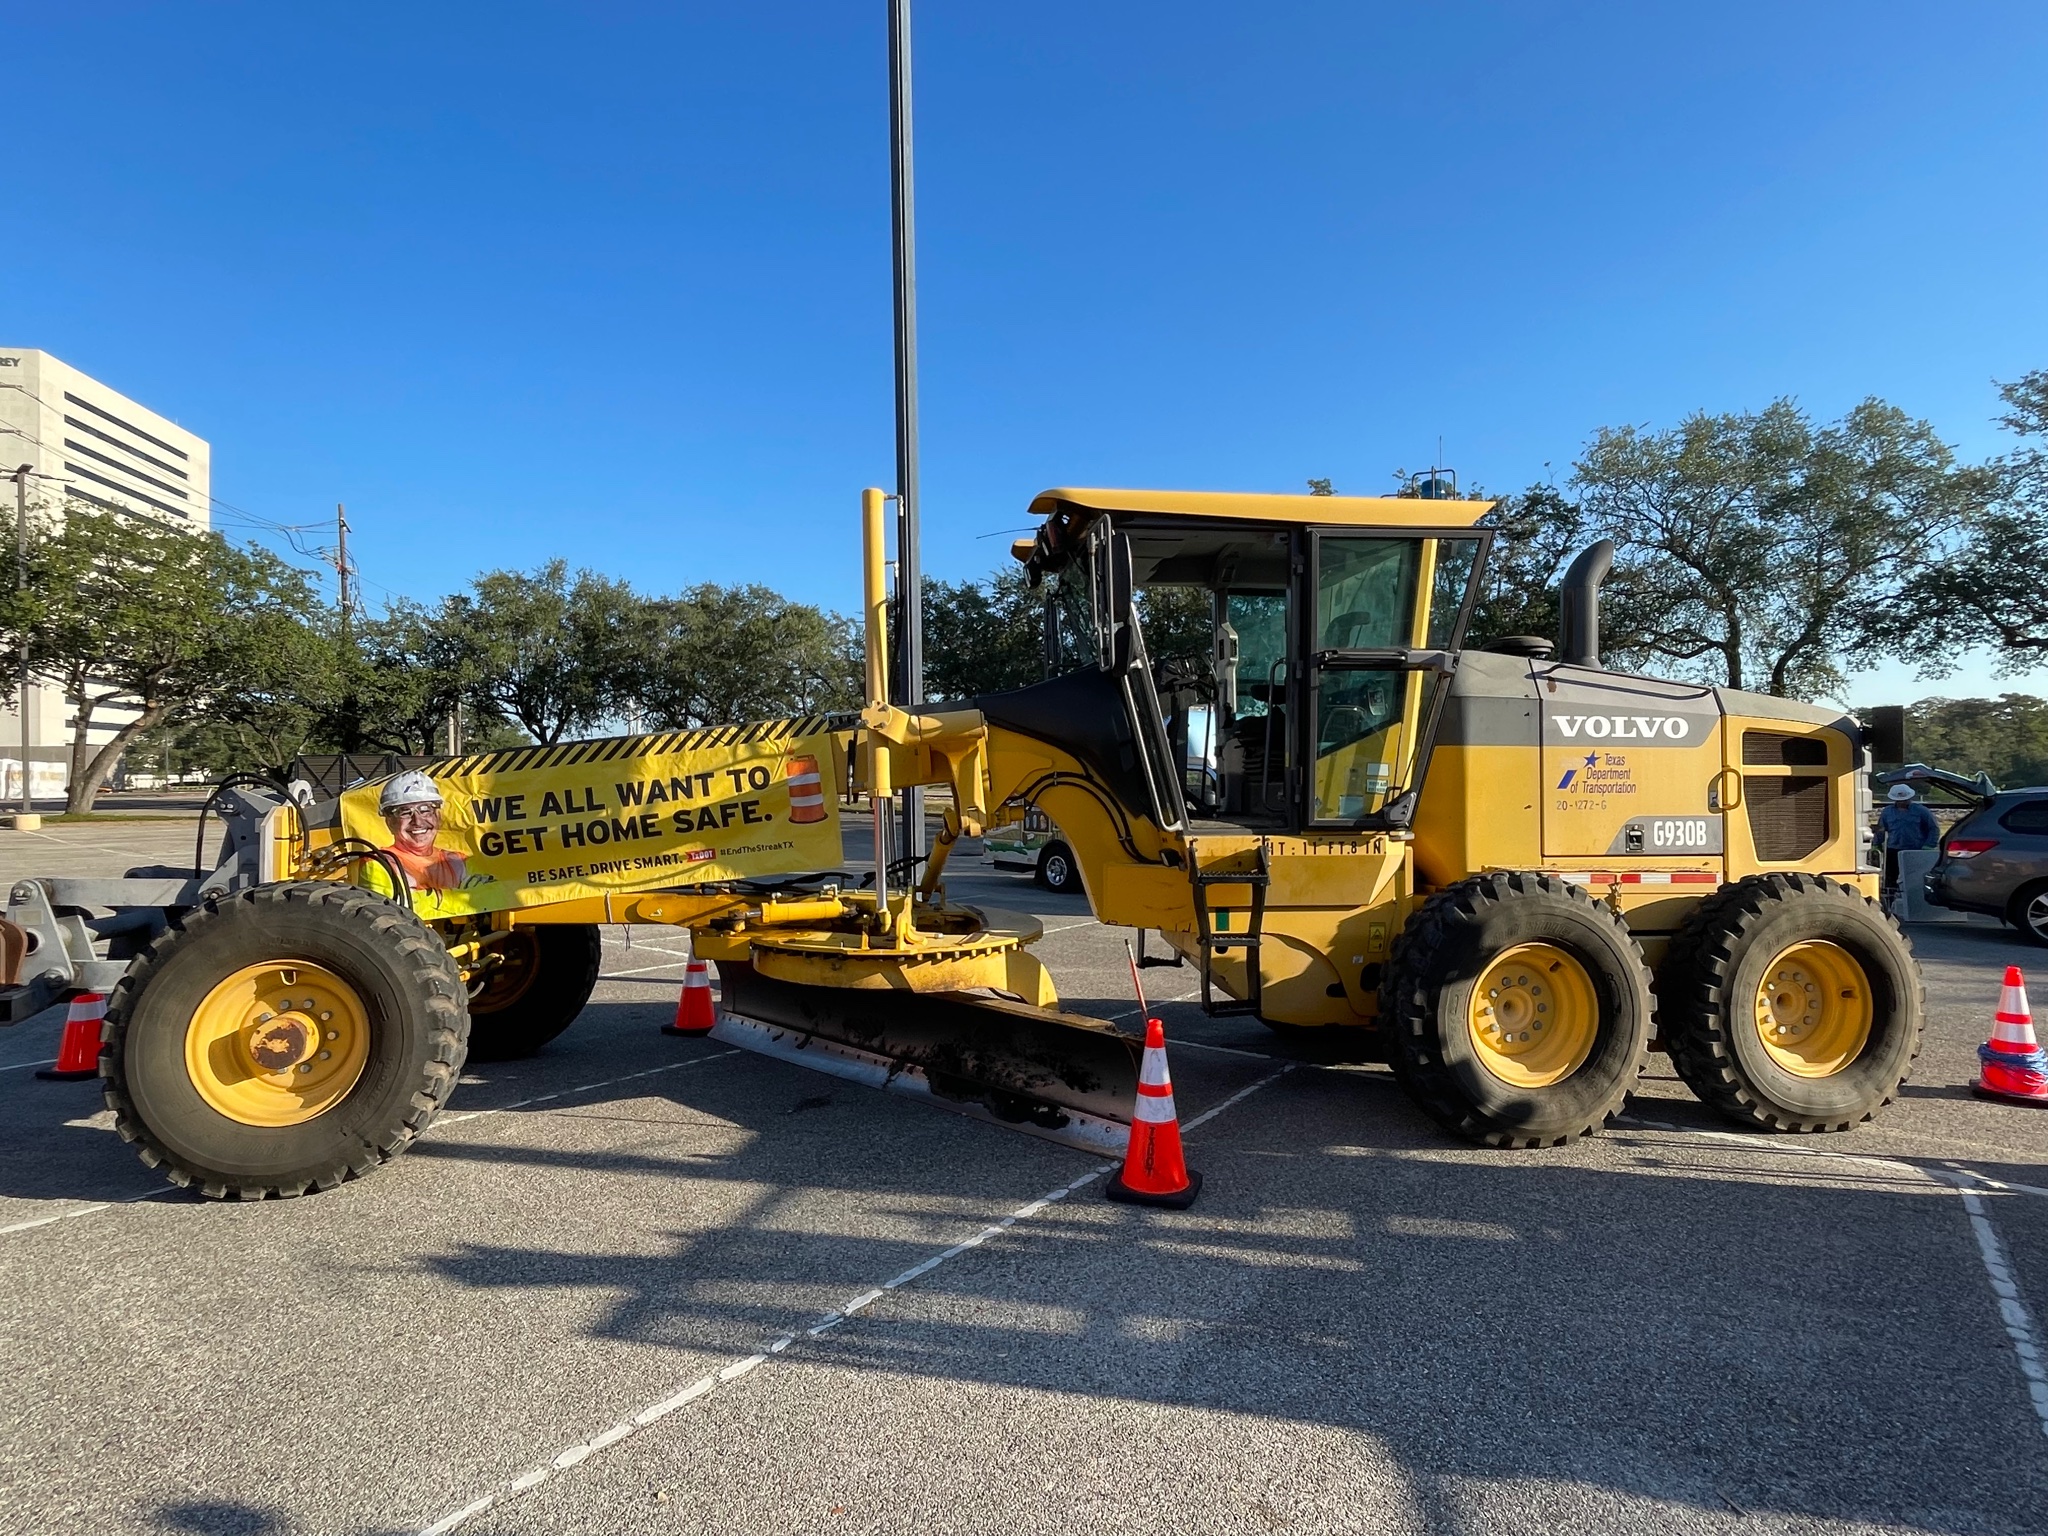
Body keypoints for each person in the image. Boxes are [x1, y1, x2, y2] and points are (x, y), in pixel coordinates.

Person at [377, 770, 467, 891]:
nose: (418, 821)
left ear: (438, 817)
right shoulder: (380, 864)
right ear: (390, 822)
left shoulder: (457, 863)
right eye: (405, 812)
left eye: (425, 810)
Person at [1877, 782, 1940, 902]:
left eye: (1905, 799)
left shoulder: (1922, 811)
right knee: (1891, 878)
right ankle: (1891, 902)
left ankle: (1916, 900)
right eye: (1899, 800)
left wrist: (1929, 845)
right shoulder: (1887, 812)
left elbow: (1933, 828)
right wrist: (1877, 843)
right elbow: (1881, 829)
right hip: (1893, 850)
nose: (1902, 802)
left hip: (1915, 850)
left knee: (1915, 878)